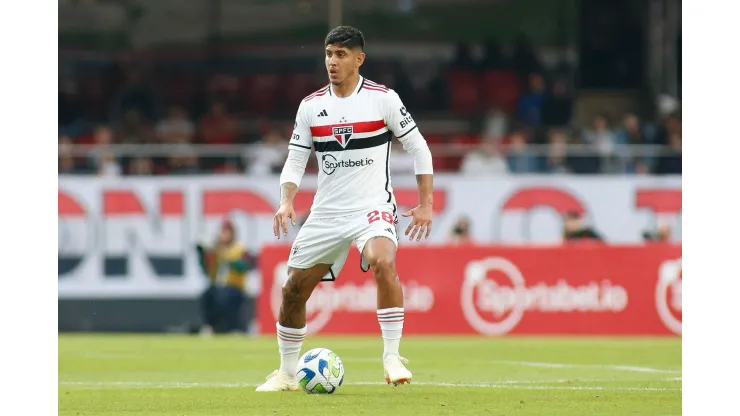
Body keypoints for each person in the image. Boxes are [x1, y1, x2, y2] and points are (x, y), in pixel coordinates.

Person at [256, 26, 434, 392]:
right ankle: (287, 374)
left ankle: (392, 357)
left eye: (340, 54)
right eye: (328, 54)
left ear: (359, 59)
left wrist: (425, 204)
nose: (332, 62)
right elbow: (295, 159)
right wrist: (286, 200)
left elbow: (419, 149)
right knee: (292, 289)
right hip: (327, 213)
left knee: (383, 261)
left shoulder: (382, 99)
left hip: (372, 206)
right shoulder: (311, 106)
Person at [196, 219, 257, 335]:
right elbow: (205, 268)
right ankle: (210, 325)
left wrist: (233, 262)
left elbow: (249, 264)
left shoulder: (239, 248)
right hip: (217, 286)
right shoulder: (214, 249)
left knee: (227, 297)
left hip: (234, 287)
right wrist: (202, 254)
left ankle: (233, 327)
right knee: (207, 295)